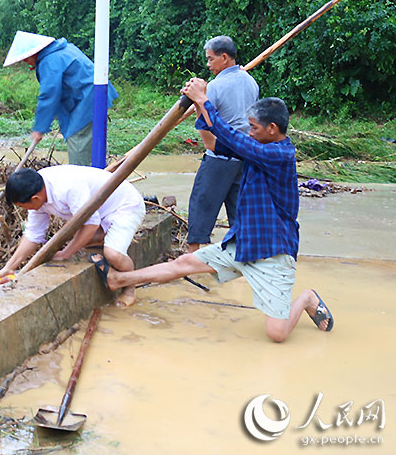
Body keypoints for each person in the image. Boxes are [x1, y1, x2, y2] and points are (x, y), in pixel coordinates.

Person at [92, 83, 334, 342]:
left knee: (277, 334)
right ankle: (119, 280)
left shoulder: (278, 154)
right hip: (244, 243)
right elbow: (218, 144)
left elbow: (234, 138)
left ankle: (307, 297)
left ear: (272, 129)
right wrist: (198, 106)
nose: (250, 132)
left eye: (254, 127)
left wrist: (204, 100)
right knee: (183, 264)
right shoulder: (259, 148)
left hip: (272, 252)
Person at [0, 165, 145, 307]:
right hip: (98, 214)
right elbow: (33, 235)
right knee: (84, 241)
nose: (25, 210)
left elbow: (90, 224)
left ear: (35, 199)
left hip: (124, 206)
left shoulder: (68, 188)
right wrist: (9, 267)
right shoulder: (37, 192)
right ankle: (102, 235)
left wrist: (66, 253)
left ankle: (129, 289)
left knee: (113, 254)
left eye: (22, 207)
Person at [186, 36, 259, 253]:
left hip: (220, 155)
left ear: (224, 57)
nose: (208, 65)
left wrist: (198, 99)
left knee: (202, 202)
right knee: (238, 206)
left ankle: (193, 254)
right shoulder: (251, 81)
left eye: (210, 59)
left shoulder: (216, 87)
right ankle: (242, 254)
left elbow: (207, 122)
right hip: (245, 154)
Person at [3, 31, 118, 166]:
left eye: (25, 58)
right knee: (92, 149)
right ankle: (100, 177)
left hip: (88, 101)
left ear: (33, 53)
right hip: (92, 98)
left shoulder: (50, 61)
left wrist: (39, 128)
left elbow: (49, 95)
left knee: (78, 142)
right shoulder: (63, 49)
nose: (25, 62)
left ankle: (83, 182)